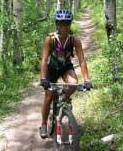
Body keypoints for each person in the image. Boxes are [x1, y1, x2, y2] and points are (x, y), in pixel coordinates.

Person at [39, 9, 92, 139]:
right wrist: (43, 78)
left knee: (73, 84)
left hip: (66, 67)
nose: (64, 26)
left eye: (67, 24)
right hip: (52, 68)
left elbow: (82, 60)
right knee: (49, 96)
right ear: (57, 24)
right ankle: (44, 124)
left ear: (70, 25)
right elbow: (44, 60)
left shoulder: (74, 39)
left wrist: (87, 79)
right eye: (61, 23)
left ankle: (64, 97)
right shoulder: (50, 39)